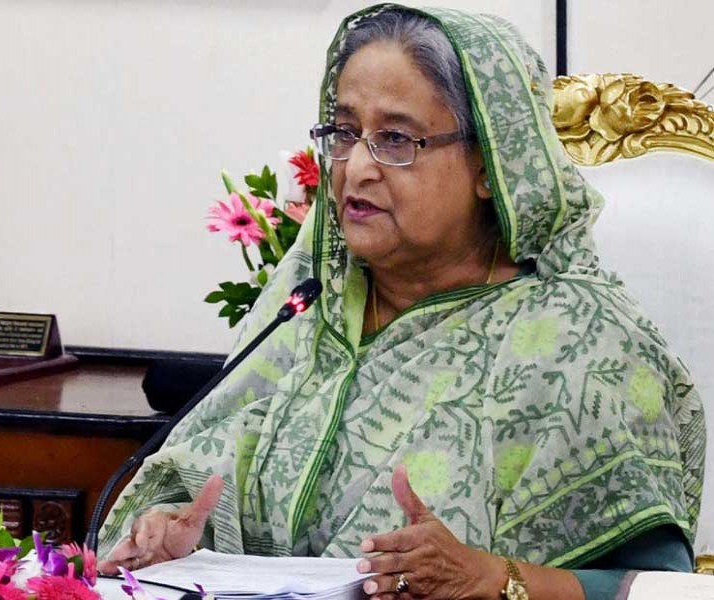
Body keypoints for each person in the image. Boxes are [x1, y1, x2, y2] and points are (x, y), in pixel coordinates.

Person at [98, 5, 705, 599]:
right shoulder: (312, 298)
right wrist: (175, 536)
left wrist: (490, 579)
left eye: (395, 138)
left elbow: (658, 589)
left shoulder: (581, 342)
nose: (356, 167)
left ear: (491, 163)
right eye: (343, 133)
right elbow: (218, 481)